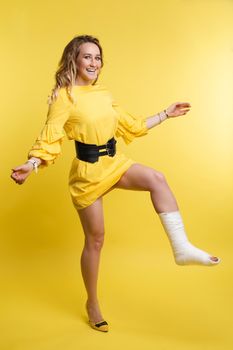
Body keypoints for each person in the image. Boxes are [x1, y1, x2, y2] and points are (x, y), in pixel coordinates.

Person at [11, 35, 220, 333]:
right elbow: (51, 135)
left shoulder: (103, 93)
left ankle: (182, 248)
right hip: (87, 173)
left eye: (97, 57)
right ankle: (92, 303)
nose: (94, 62)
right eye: (87, 57)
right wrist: (32, 164)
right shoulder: (64, 96)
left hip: (114, 162)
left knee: (156, 179)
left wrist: (166, 114)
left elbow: (130, 125)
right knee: (96, 240)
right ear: (74, 59)